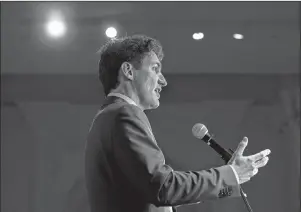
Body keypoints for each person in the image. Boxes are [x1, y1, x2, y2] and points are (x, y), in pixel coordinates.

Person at [84, 34, 271, 212]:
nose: (163, 81)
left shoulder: (106, 117)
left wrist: (231, 176)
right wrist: (231, 174)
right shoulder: (125, 113)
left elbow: (151, 192)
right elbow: (163, 187)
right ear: (128, 71)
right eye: (155, 69)